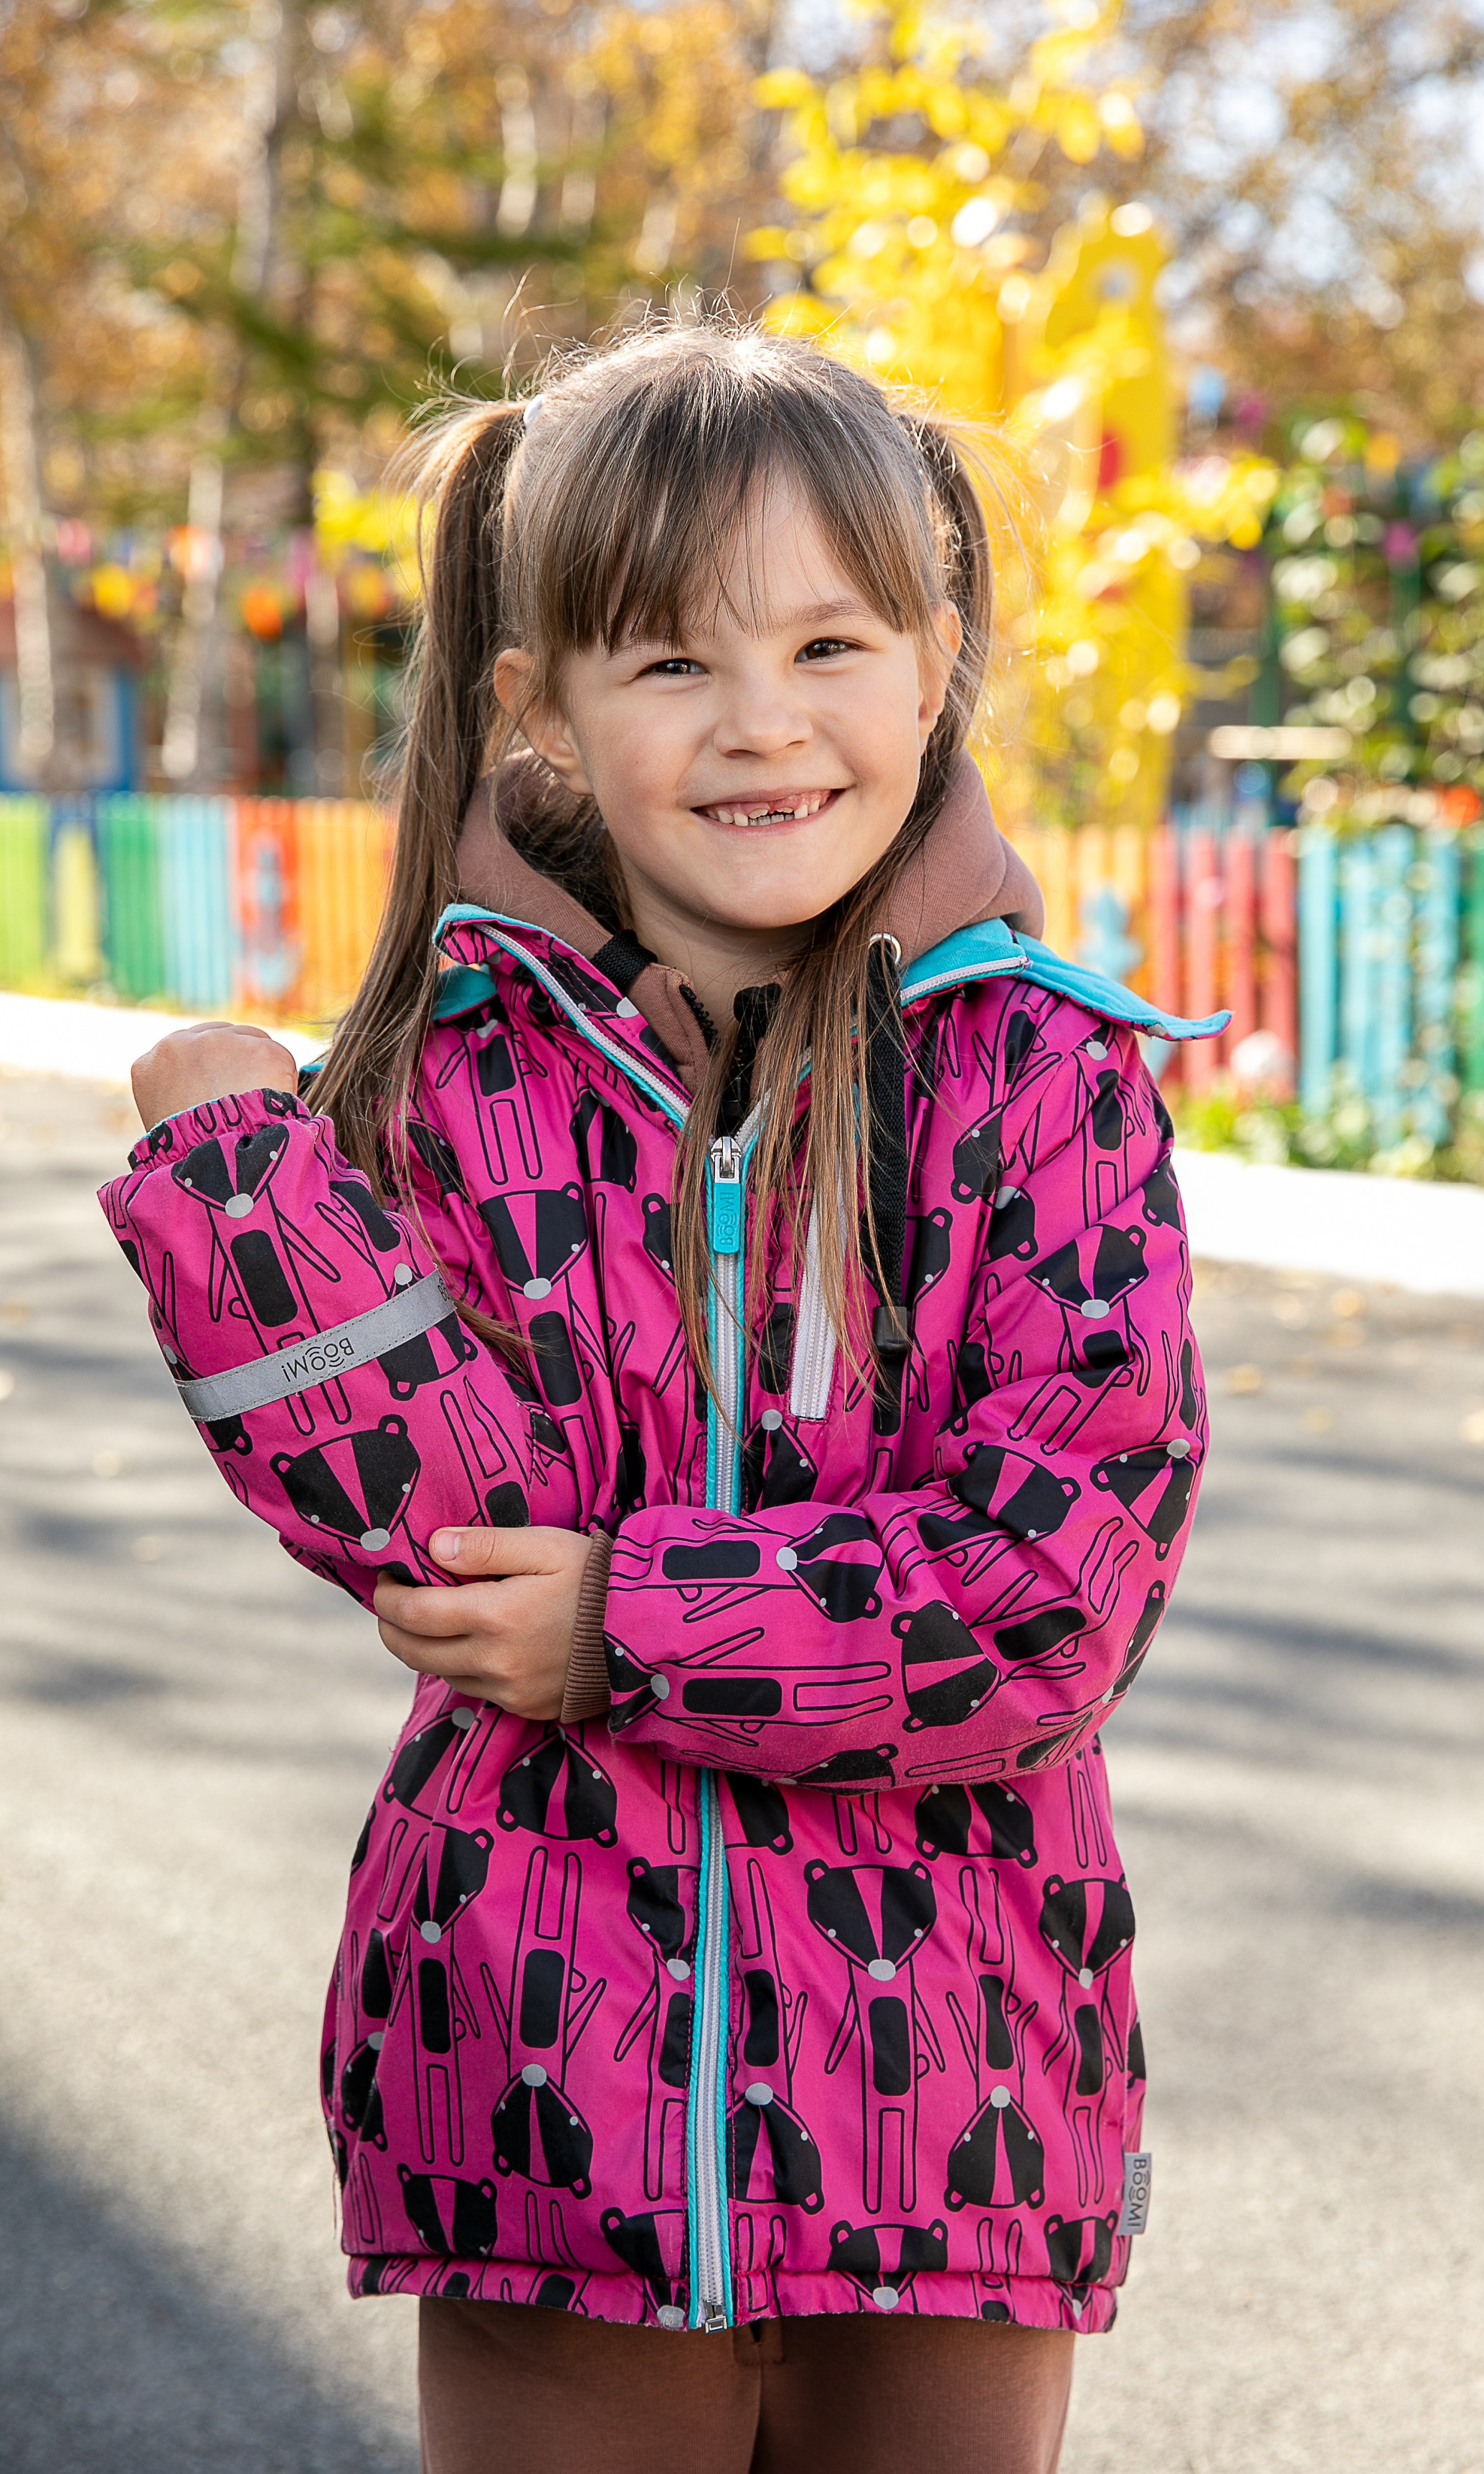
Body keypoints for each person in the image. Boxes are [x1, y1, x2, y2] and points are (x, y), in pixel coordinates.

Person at [104, 324, 1224, 2474]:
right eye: (672, 664)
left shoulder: (1042, 1086)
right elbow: (438, 1530)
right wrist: (248, 1197)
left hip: (962, 2106)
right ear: (539, 705)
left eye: (828, 640)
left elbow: (1049, 1594)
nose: (767, 723)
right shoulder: (453, 1081)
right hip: (534, 2087)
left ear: (937, 658)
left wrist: (634, 1618)